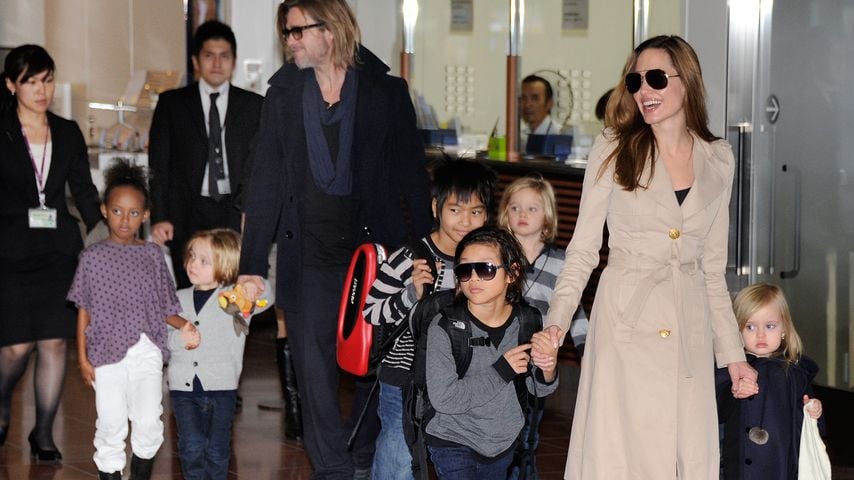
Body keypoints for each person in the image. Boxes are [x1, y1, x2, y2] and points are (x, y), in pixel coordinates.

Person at [538, 35, 758, 479]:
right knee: (621, 457)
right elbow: (582, 250)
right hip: (625, 326)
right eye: (636, 80)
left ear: (687, 82)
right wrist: (555, 323)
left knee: (686, 458)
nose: (644, 90)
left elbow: (713, 270)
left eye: (656, 78)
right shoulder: (614, 146)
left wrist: (733, 356)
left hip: (689, 326)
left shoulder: (719, 159)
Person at [236, 1, 433, 478]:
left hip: (375, 252)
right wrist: (250, 265)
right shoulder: (282, 96)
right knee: (313, 366)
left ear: (332, 29)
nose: (290, 42)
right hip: (309, 253)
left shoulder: (385, 92)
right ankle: (331, 467)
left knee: (372, 359)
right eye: (286, 33)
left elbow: (411, 175)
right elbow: (263, 183)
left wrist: (424, 248)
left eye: (298, 31)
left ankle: (361, 453)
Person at [0, 44, 102, 462]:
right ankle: (2, 407)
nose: (42, 90)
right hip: (9, 250)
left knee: (56, 343)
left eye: (47, 80)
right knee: (15, 347)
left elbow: (84, 190)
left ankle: (42, 433)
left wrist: (109, 231)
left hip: (59, 249)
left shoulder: (67, 131)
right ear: (11, 85)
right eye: (31, 82)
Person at [363, 160, 496, 480]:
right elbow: (371, 311)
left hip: (461, 382)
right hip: (405, 379)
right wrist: (410, 293)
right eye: (456, 210)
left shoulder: (488, 261)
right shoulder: (411, 257)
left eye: (476, 211)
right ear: (436, 207)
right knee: (398, 456)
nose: (466, 221)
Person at [67, 160, 199, 480]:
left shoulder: (153, 256)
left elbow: (164, 306)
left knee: (149, 420)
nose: (125, 220)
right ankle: (111, 471)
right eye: (117, 211)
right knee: (111, 423)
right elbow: (84, 309)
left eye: (134, 213)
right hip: (106, 352)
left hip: (146, 349)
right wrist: (84, 359)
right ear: (103, 210)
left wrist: (186, 325)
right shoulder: (93, 257)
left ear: (146, 215)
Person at [425, 227, 559, 479]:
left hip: (501, 443)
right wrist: (502, 370)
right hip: (452, 439)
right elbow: (444, 399)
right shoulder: (445, 327)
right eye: (465, 270)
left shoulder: (528, 321)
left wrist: (548, 368)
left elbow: (539, 389)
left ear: (512, 273)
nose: (473, 278)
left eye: (485, 269)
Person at [149, 20, 263, 289]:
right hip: (187, 210)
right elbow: (159, 163)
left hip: (234, 209)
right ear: (196, 61)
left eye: (224, 57)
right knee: (191, 283)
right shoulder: (172, 103)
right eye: (209, 56)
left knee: (234, 287)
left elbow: (259, 166)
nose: (216, 64)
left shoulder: (254, 106)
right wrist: (160, 216)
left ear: (234, 62)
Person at [498, 175, 588, 479]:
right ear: (505, 212)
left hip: (537, 364)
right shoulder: (496, 256)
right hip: (498, 359)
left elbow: (574, 312)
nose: (522, 215)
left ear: (547, 216)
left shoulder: (561, 263)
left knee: (527, 439)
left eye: (532, 209)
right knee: (498, 439)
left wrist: (587, 351)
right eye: (516, 207)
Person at [168, 228, 273, 480]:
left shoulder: (235, 301)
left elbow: (268, 297)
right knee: (191, 446)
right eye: (191, 256)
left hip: (221, 388)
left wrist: (253, 284)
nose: (193, 264)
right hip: (183, 390)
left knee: (217, 449)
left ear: (225, 266)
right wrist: (178, 339)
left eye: (204, 260)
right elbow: (161, 338)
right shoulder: (176, 298)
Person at [716, 283, 823, 480]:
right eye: (750, 326)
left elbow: (807, 414)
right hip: (738, 466)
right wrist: (734, 393)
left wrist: (813, 410)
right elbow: (714, 412)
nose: (761, 334)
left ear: (784, 329)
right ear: (736, 331)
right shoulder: (728, 370)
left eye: (770, 326)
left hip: (780, 465)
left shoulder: (793, 372)